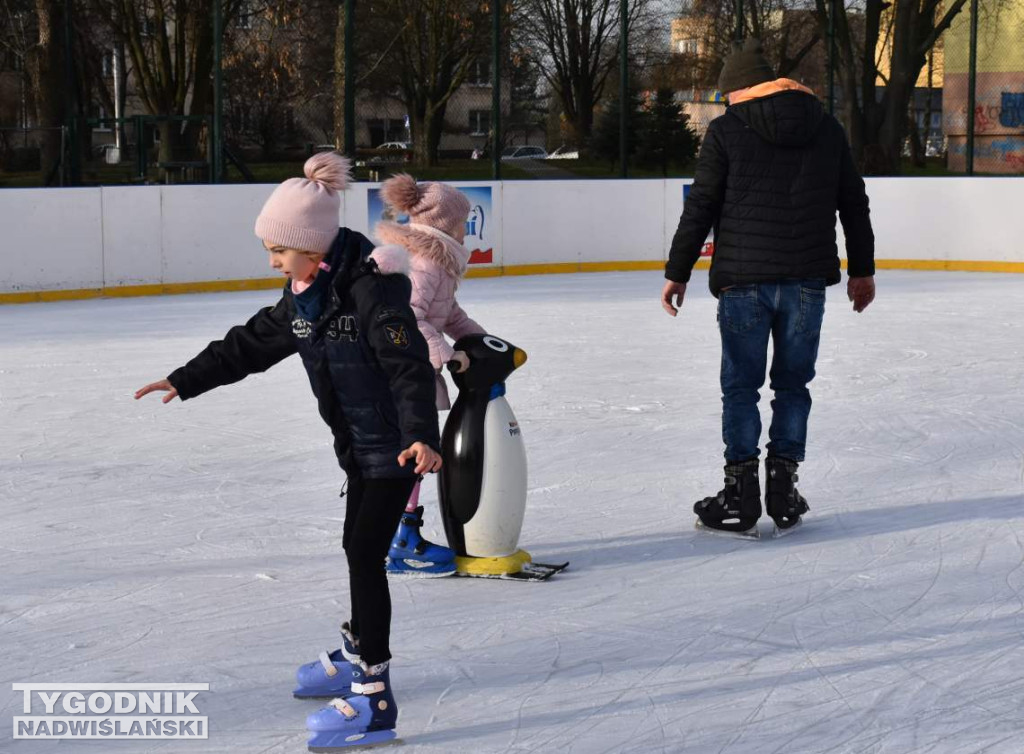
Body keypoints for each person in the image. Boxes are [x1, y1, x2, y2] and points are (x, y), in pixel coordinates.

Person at [134, 152, 440, 746]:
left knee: (362, 557)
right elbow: (248, 344)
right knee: (357, 549)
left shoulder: (373, 293)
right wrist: (184, 378)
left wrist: (420, 434)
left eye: (279, 249)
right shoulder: (305, 296)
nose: (273, 260)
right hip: (359, 447)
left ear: (314, 247)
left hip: (397, 449)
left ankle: (374, 695)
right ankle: (358, 649)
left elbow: (407, 366)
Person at [660, 38, 876, 538]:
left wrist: (678, 271)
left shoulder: (725, 130)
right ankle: (782, 487)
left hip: (742, 283)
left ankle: (740, 494)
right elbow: (854, 203)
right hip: (805, 283)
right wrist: (862, 270)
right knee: (792, 385)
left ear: (737, 90)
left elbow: (702, 208)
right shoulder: (827, 128)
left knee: (740, 387)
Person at [373, 174, 487, 576]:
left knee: (416, 453)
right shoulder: (423, 261)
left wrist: (477, 339)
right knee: (414, 452)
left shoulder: (437, 259)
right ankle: (399, 539)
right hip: (400, 373)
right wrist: (447, 355)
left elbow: (447, 312)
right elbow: (410, 317)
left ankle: (400, 533)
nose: (465, 227)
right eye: (461, 220)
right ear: (442, 223)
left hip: (412, 368)